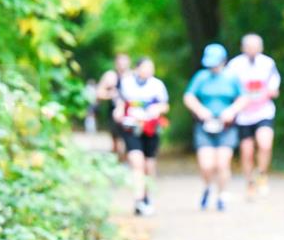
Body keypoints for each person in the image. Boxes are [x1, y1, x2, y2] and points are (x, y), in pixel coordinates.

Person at [183, 43, 251, 211]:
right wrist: (200, 110)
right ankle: (207, 187)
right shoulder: (201, 77)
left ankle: (222, 195)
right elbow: (189, 96)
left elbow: (244, 98)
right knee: (207, 164)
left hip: (226, 126)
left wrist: (231, 111)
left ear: (223, 61)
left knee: (222, 163)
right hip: (204, 126)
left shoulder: (232, 77)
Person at [226, 33, 281, 197]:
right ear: (243, 48)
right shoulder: (234, 65)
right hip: (243, 115)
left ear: (261, 47)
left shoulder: (268, 63)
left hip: (264, 112)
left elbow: (274, 88)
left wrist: (267, 93)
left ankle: (262, 174)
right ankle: (249, 181)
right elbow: (229, 89)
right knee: (247, 151)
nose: (252, 49)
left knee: (265, 144)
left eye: (256, 46)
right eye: (249, 46)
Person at [114, 57, 170, 216]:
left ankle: (147, 196)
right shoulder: (126, 83)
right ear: (137, 69)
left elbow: (165, 105)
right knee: (136, 163)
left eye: (151, 68)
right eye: (145, 67)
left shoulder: (157, 85)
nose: (148, 71)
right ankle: (138, 199)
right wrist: (118, 111)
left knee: (148, 164)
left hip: (150, 129)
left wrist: (157, 109)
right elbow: (120, 101)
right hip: (131, 127)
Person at [97, 53, 131, 162]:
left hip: (130, 112)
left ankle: (126, 162)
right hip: (113, 111)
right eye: (120, 62)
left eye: (124, 62)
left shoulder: (133, 76)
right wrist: (110, 94)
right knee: (116, 140)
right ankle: (118, 162)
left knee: (128, 140)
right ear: (116, 64)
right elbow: (99, 93)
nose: (122, 65)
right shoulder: (110, 76)